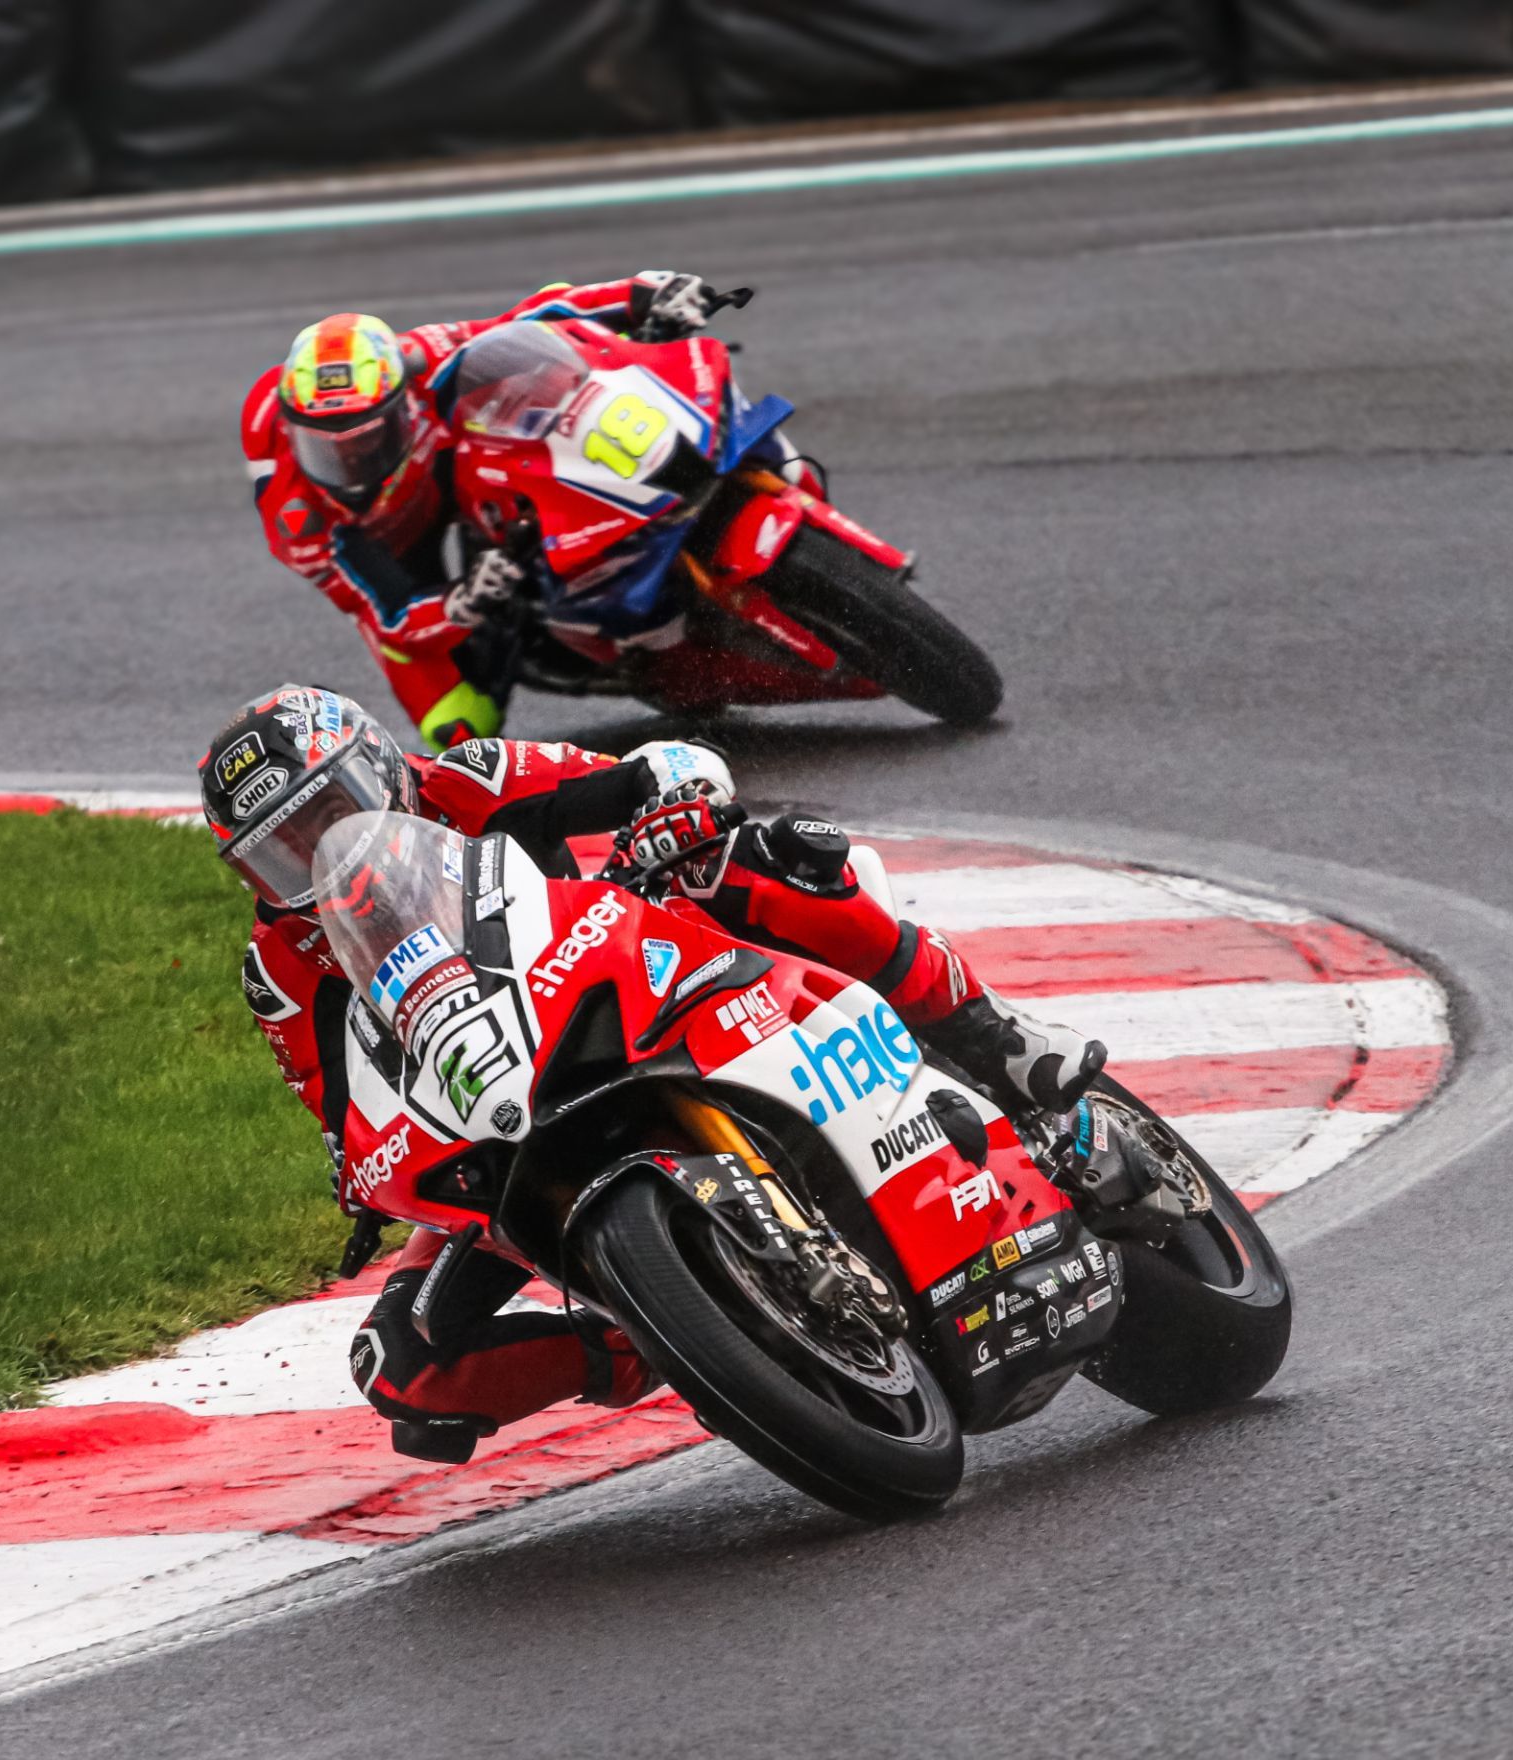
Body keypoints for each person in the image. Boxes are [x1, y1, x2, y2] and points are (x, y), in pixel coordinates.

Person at [201, 686, 1105, 1461]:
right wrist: (364, 1177)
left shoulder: (467, 780)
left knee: (750, 860)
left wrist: (675, 800)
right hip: (501, 1108)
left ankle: (993, 1036)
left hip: (621, 972)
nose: (319, 851)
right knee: (403, 1366)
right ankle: (659, 1333)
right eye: (280, 851)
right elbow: (340, 1107)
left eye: (332, 809)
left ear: (381, 767)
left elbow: (664, 764)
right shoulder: (278, 969)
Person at [241, 273, 733, 753]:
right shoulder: (297, 518)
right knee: (455, 729)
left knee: (534, 366)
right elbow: (386, 613)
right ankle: (527, 629)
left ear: (400, 403)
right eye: (328, 451)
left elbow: (535, 316)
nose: (353, 464)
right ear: (293, 432)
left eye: (368, 438)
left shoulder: (422, 360)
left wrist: (643, 295)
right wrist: (461, 604)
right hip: (388, 547)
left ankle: (600, 528)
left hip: (453, 473)